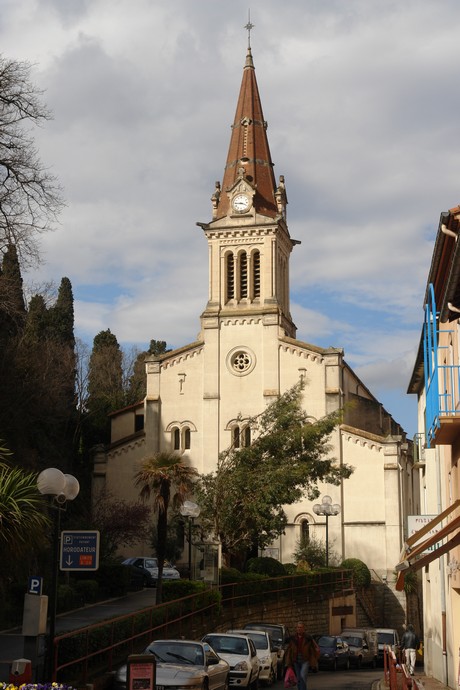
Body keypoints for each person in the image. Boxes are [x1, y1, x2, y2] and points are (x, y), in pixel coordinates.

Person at [284, 622, 319, 690]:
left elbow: (315, 649)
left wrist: (314, 661)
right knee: (299, 678)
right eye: (298, 627)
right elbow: (289, 651)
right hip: (296, 661)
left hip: (305, 660)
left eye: (300, 627)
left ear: (303, 629)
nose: (299, 629)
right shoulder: (293, 638)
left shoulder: (308, 638)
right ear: (296, 629)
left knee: (303, 676)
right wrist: (289, 663)